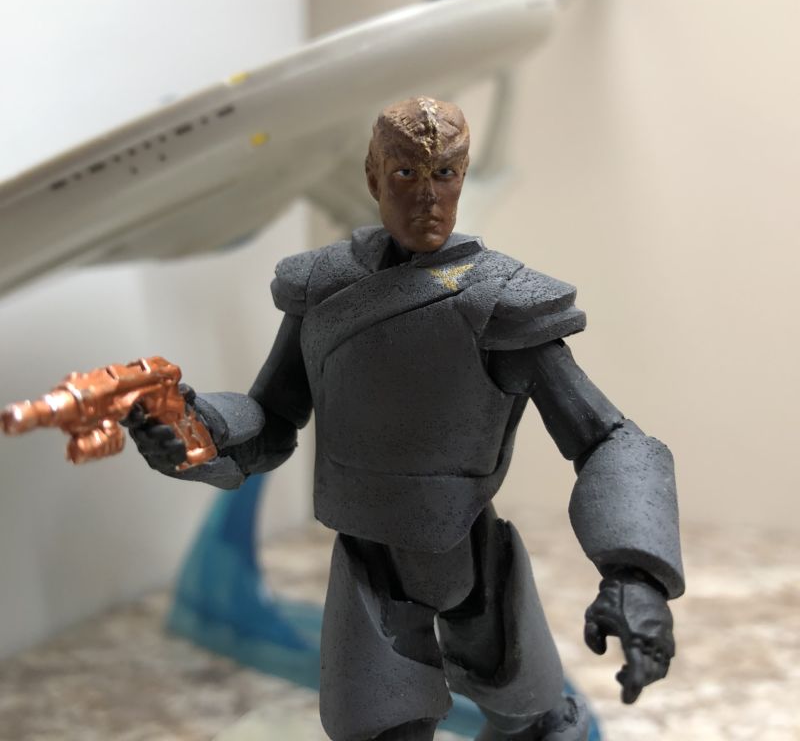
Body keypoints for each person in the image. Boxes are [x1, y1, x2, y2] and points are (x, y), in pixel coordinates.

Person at [127, 97, 683, 741]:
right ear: (373, 177)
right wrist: (196, 429)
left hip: (472, 555)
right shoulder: (323, 287)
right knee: (381, 728)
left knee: (532, 720)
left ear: (463, 176)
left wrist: (635, 573)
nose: (428, 198)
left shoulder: (501, 301)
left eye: (445, 174)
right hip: (370, 566)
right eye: (406, 174)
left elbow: (607, 437)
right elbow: (271, 419)